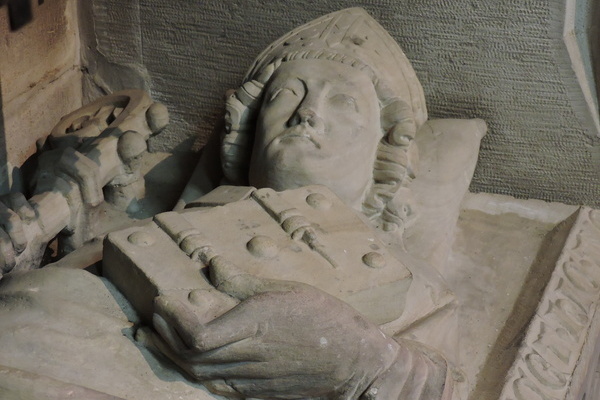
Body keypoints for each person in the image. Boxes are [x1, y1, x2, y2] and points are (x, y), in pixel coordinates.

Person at [0, 8, 486, 400]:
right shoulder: (153, 223)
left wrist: (357, 360)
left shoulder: (414, 283)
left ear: (384, 153)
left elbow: (436, 388)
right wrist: (22, 252)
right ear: (248, 132)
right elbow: (48, 296)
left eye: (344, 102)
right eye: (287, 94)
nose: (307, 113)